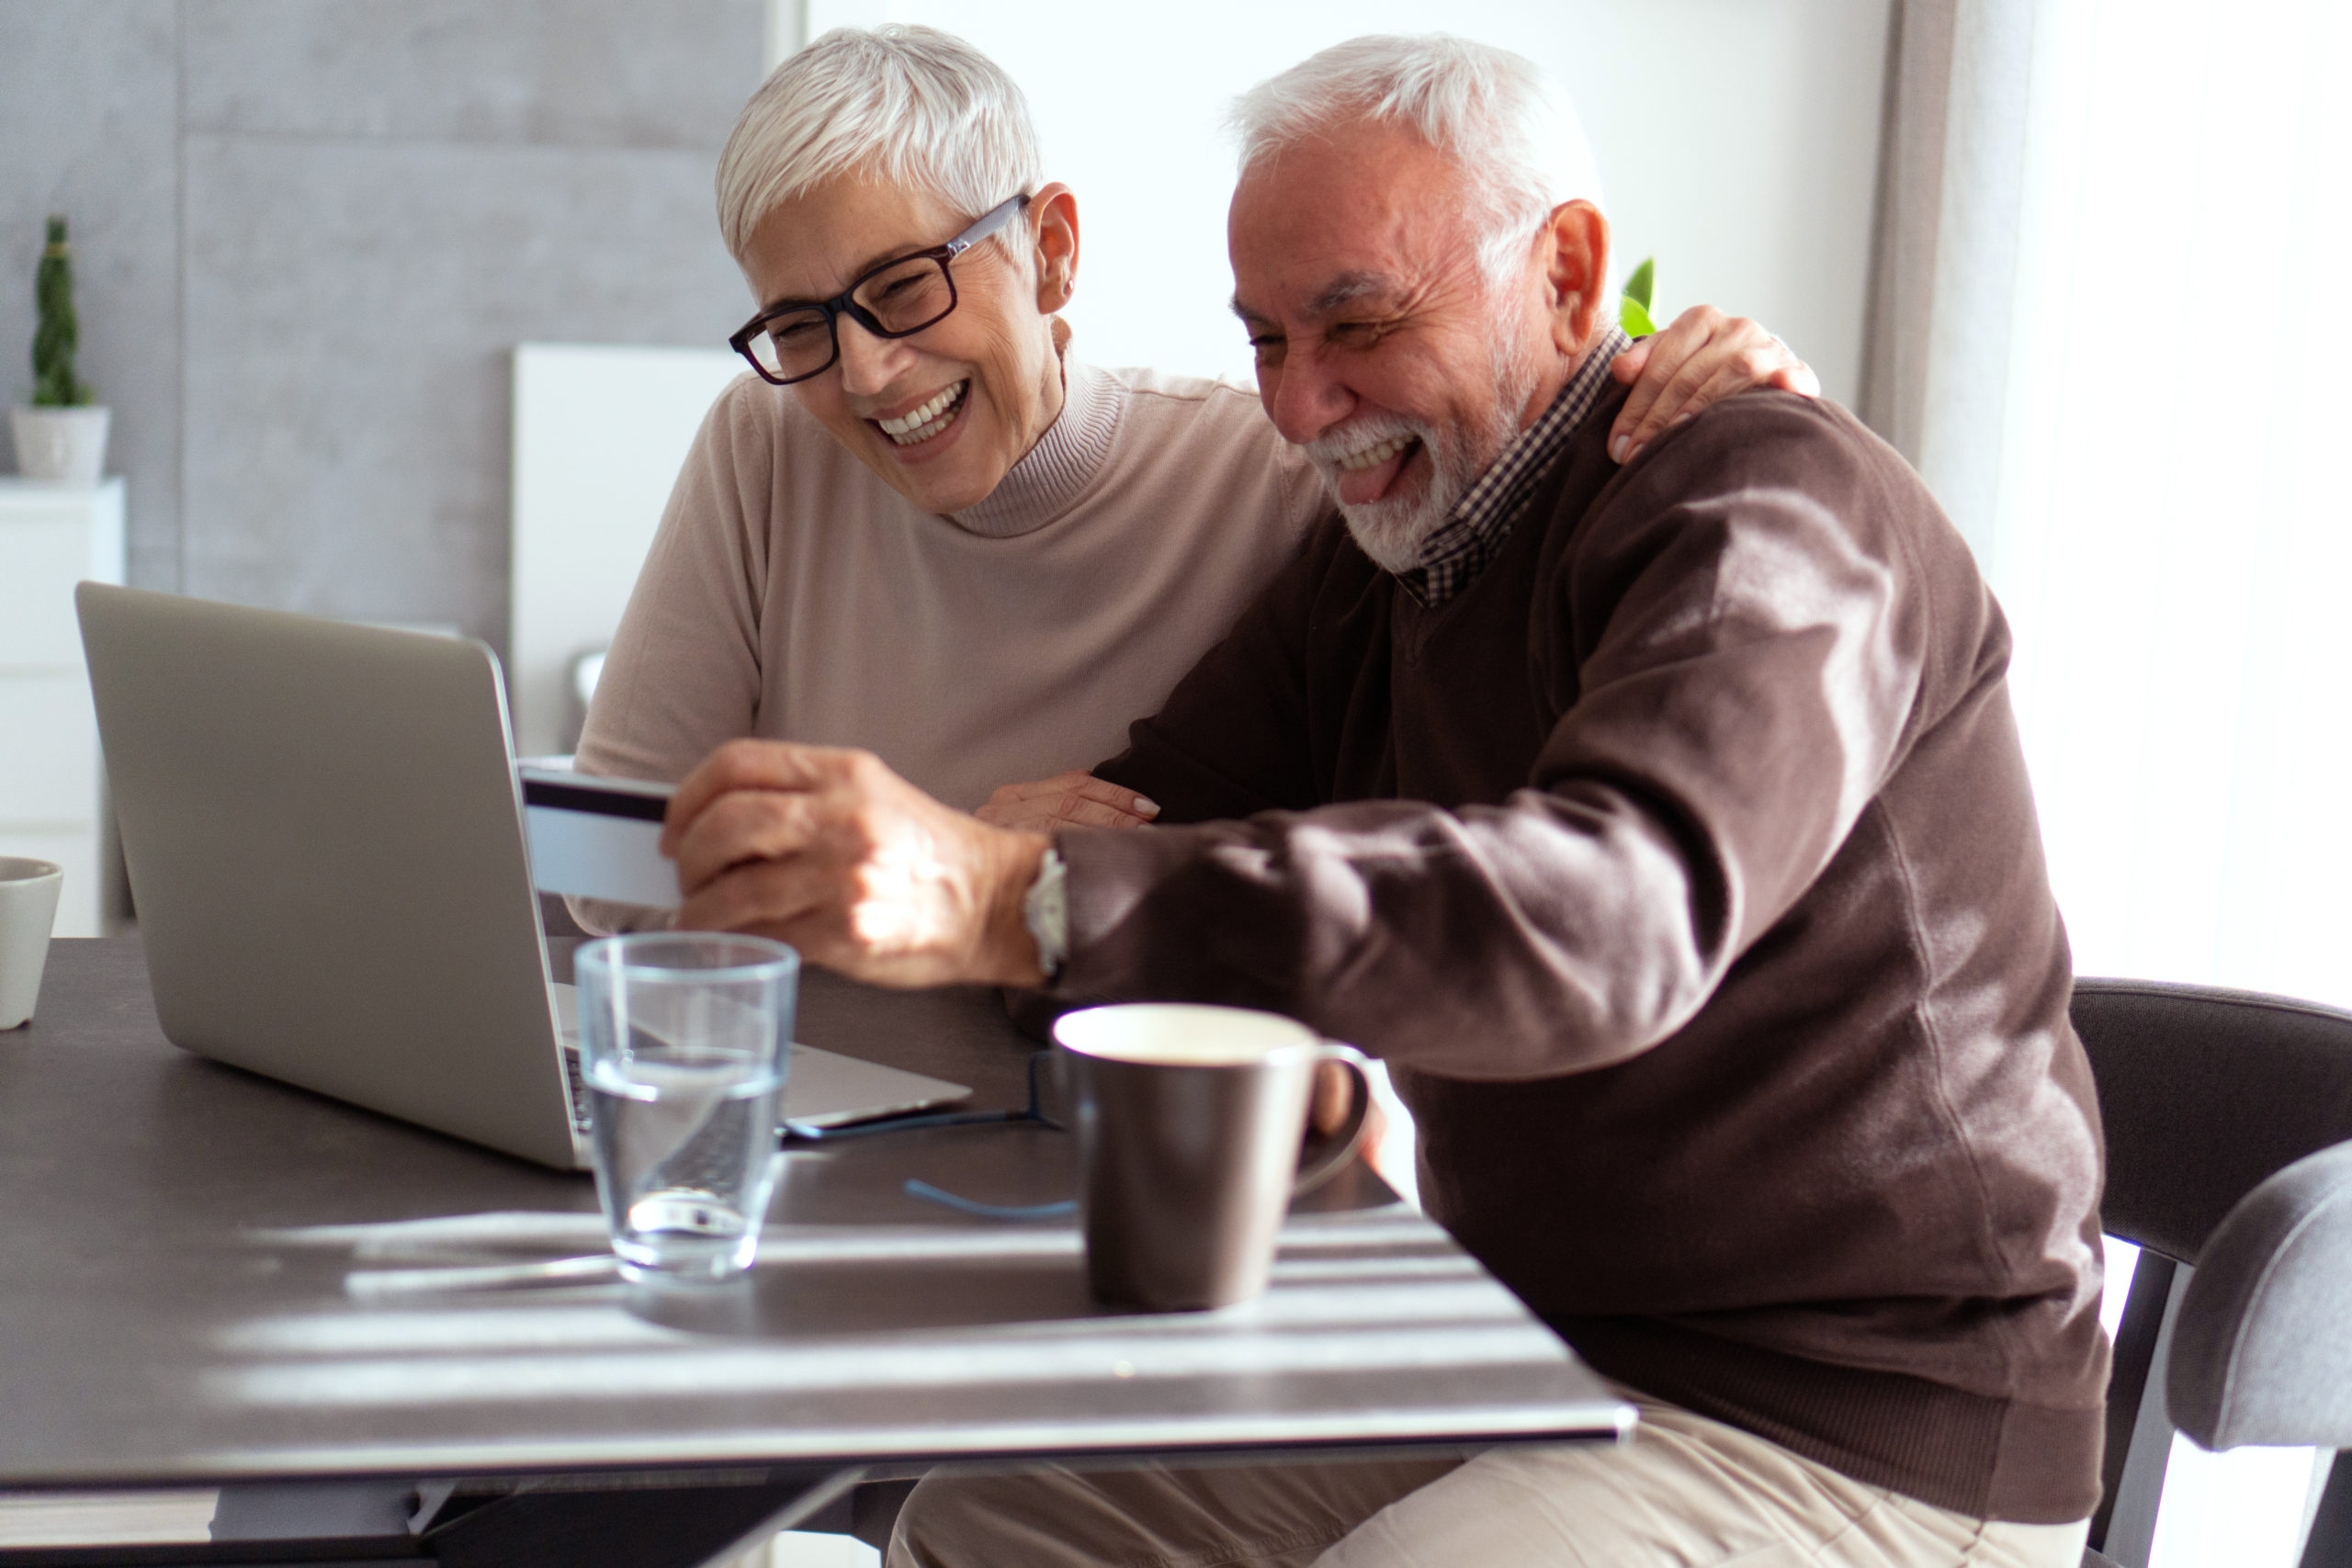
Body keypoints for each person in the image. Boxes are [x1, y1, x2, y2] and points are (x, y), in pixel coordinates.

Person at [653, 31, 2108, 1568]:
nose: (1299, 407)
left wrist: (1014, 895)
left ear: (1566, 272)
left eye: (1355, 322)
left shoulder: (1765, 503)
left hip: (1855, 1418)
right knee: (1001, 1522)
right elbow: (1146, 838)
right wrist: (1041, 894)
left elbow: (1606, 921)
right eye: (1267, 340)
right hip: (1527, 1348)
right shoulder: (1385, 567)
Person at [570, 23, 1815, 916]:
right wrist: (963, 872)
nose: (869, 374)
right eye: (799, 327)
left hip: (1099, 1134)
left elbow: (1524, 479)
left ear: (1051, 251)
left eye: (904, 288)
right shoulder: (768, 440)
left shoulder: (1294, 477)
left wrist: (1688, 372)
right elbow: (602, 880)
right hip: (803, 1107)